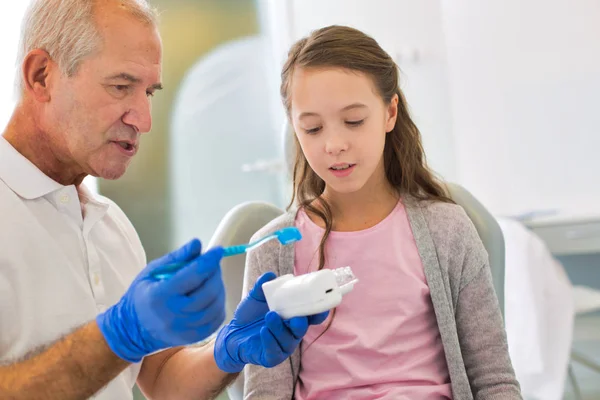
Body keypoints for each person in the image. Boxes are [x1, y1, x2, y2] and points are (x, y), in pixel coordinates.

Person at [0, 1, 327, 399]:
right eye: (120, 86)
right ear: (41, 76)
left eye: (149, 92)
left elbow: (162, 380)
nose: (144, 119)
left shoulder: (109, 225)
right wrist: (118, 335)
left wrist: (226, 351)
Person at [242, 25, 523, 399]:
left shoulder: (447, 230)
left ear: (390, 113)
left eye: (354, 121)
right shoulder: (271, 250)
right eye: (312, 128)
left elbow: (494, 381)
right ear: (294, 127)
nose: (335, 144)